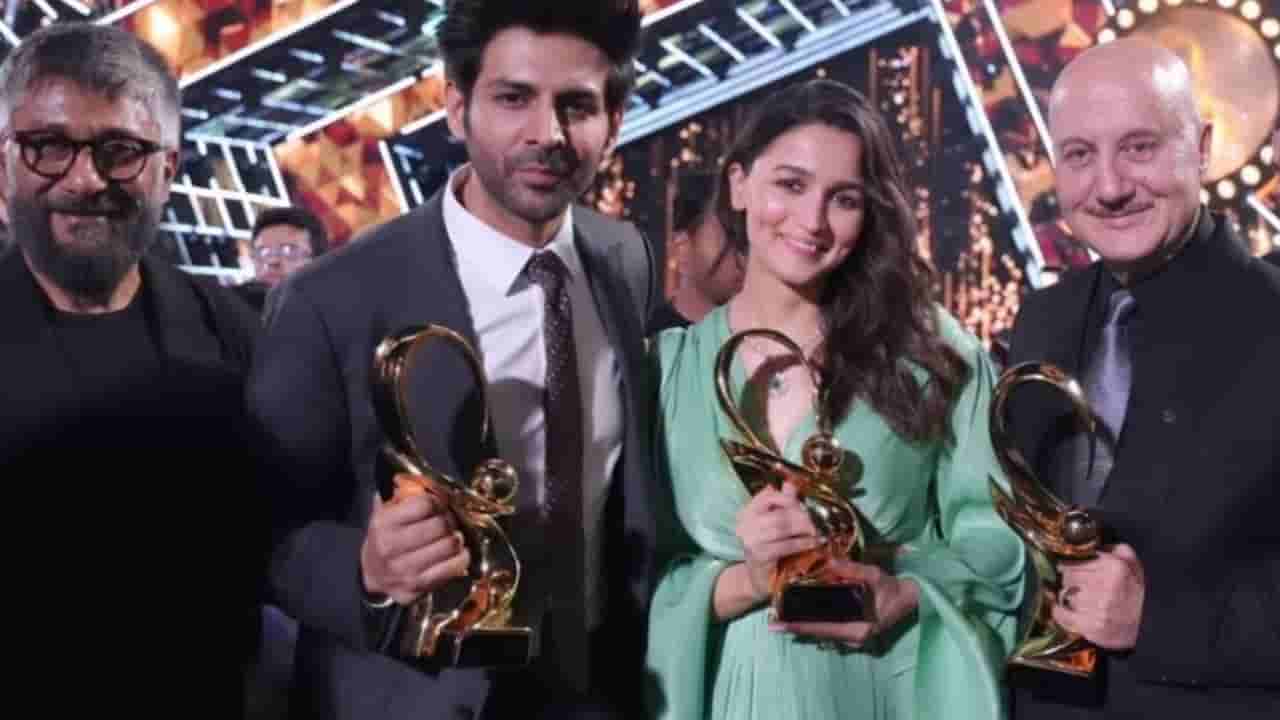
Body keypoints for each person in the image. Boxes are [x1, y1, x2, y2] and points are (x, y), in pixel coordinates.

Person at [248, 2, 664, 718]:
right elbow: (264, 530)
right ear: (455, 108)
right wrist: (365, 569)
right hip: (417, 695)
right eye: (513, 99)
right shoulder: (331, 299)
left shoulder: (625, 259)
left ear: (615, 121)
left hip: (602, 689)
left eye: (576, 106)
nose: (548, 134)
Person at [645, 78, 1026, 719]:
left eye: (843, 199)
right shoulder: (662, 371)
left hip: (884, 691)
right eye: (790, 185)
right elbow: (616, 584)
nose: (812, 221)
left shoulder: (932, 353)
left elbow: (1001, 548)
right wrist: (748, 580)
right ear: (738, 185)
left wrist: (906, 593)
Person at [1006, 39, 1280, 718]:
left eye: (1139, 147)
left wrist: (1157, 619)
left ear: (1203, 148)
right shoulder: (1042, 318)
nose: (1109, 187)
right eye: (1079, 155)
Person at [0, 22, 263, 716]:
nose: (85, 179)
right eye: (48, 145)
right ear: (4, 165)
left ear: (167, 170)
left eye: (119, 151)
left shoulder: (238, 335)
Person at [650, 172, 743, 332]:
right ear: (682, 249)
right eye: (732, 235)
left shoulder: (769, 338)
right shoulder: (646, 342)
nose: (746, 255)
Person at [237, 205, 329, 311]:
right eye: (263, 251)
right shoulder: (232, 305)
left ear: (317, 260)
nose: (272, 261)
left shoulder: (335, 308)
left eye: (288, 250)